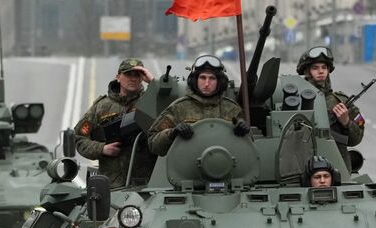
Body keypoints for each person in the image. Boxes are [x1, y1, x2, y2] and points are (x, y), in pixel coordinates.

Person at [73, 58, 156, 187]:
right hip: (112, 185)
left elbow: (173, 104)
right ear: (118, 77)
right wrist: (102, 149)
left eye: (138, 75)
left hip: (146, 184)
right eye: (128, 74)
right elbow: (79, 137)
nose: (133, 79)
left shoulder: (151, 101)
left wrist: (152, 82)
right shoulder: (101, 107)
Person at [148, 55, 247, 156]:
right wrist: (172, 133)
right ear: (195, 80)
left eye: (212, 78)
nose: (207, 83)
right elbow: (153, 144)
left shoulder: (232, 109)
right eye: (202, 78)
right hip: (186, 167)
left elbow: (248, 148)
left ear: (220, 82)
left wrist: (243, 133)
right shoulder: (179, 107)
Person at [296, 45, 364, 164]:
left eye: (324, 67)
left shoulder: (341, 101)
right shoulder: (296, 100)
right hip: (302, 162)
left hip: (336, 164)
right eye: (315, 68)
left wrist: (346, 122)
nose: (321, 71)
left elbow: (356, 140)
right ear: (307, 72)